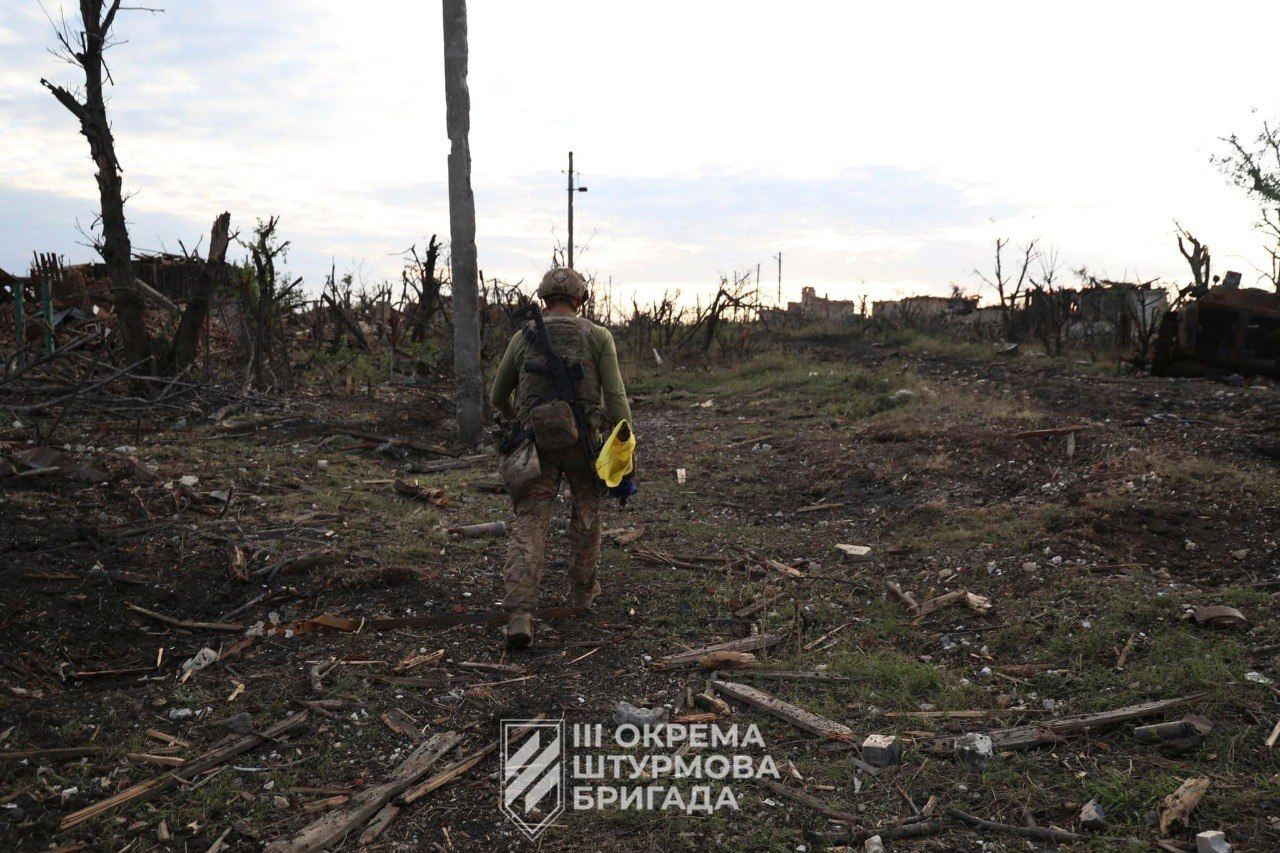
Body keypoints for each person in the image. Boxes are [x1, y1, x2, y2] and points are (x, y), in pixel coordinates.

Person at [490, 267, 632, 649]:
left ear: (544, 299)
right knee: (586, 515)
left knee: (530, 521)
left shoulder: (524, 336)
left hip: (535, 443)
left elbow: (498, 396)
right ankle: (583, 596)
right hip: (584, 443)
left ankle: (520, 613)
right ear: (581, 299)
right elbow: (616, 398)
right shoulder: (598, 336)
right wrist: (625, 444)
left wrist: (520, 421)